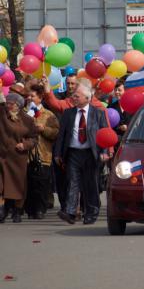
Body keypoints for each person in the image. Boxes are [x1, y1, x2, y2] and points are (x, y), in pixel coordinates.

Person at [54, 84, 110, 225]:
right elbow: (62, 135)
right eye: (73, 95)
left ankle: (91, 213)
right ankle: (71, 212)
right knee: (72, 182)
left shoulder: (98, 113)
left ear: (87, 98)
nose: (74, 98)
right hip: (73, 153)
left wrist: (104, 152)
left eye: (77, 96)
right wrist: (58, 153)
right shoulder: (68, 113)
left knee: (90, 184)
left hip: (91, 154)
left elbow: (105, 135)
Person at [0, 85, 39, 223]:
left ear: (18, 106)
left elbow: (34, 138)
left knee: (18, 185)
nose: (9, 106)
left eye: (12, 104)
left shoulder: (27, 120)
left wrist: (25, 145)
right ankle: (2, 209)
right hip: (2, 155)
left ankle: (17, 210)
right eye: (8, 104)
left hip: (17, 157)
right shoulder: (2, 114)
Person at [24, 84, 60, 219]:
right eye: (28, 96)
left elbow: (56, 132)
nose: (29, 98)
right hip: (27, 154)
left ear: (40, 98)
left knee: (42, 182)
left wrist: (44, 129)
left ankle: (40, 209)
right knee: (29, 182)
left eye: (32, 96)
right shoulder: (24, 113)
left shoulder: (49, 114)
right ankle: (30, 209)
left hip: (44, 153)